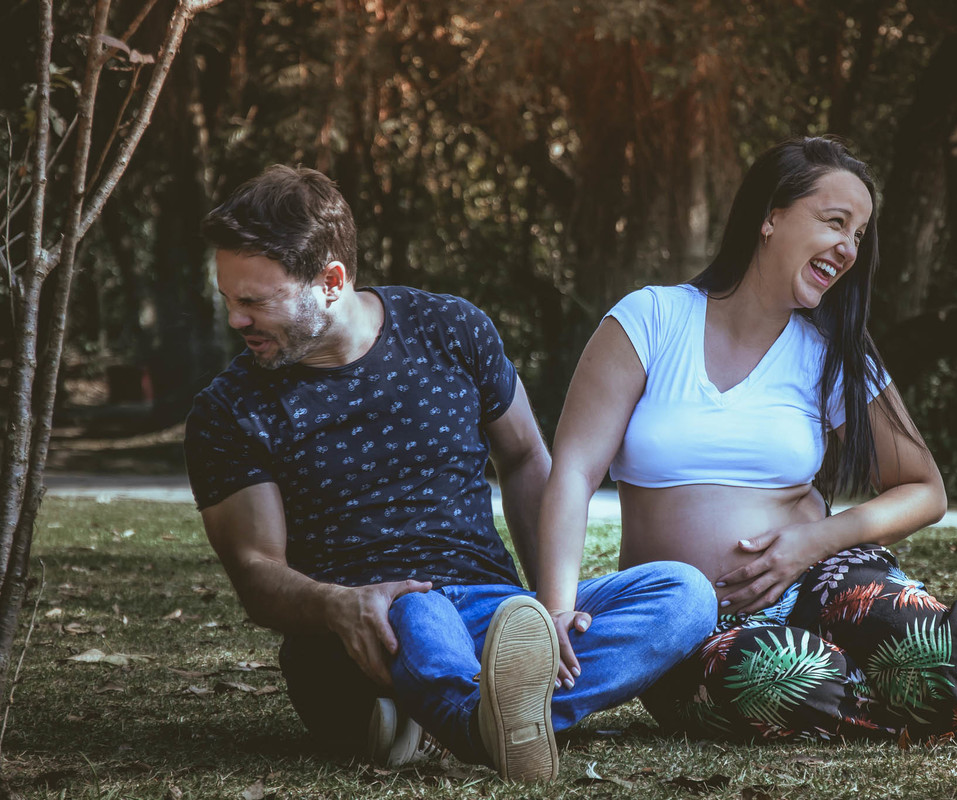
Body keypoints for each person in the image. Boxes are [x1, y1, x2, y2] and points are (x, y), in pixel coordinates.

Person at [534, 137, 957, 744]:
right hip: (697, 632)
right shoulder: (652, 320)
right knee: (779, 676)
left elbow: (925, 490)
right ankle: (932, 700)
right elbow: (573, 473)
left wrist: (811, 543)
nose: (849, 249)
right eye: (834, 222)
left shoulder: (830, 354)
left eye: (858, 234)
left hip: (820, 581)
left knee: (923, 643)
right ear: (770, 216)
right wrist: (557, 609)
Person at [184, 165, 716, 781]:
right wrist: (339, 604)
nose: (236, 320)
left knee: (685, 593)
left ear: (331, 282)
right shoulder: (230, 410)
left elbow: (524, 457)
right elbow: (256, 571)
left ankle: (458, 718)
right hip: (371, 628)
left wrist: (551, 608)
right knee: (420, 612)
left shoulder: (451, 329)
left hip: (497, 610)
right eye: (229, 299)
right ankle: (487, 719)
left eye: (253, 302)